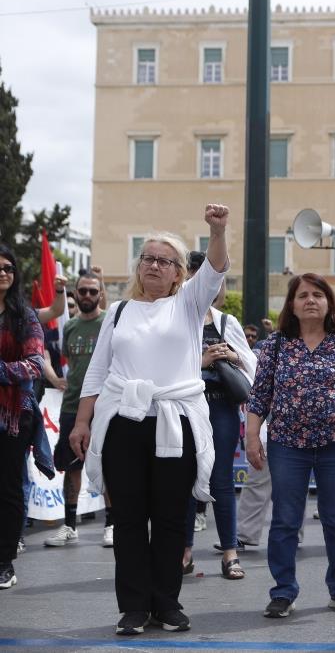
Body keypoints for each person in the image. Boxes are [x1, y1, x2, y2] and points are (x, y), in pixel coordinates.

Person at [69, 205, 230, 635]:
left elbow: (215, 268)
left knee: (170, 518)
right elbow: (98, 371)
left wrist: (218, 229)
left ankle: (167, 604)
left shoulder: (190, 304)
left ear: (179, 273)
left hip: (173, 422)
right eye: (148, 259)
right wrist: (82, 422)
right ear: (139, 266)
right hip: (124, 421)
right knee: (128, 517)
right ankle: (134, 608)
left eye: (165, 261)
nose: (155, 266)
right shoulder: (119, 312)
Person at [244, 273, 335, 620]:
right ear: (291, 304)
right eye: (302, 295)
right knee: (286, 520)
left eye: (318, 294)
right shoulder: (274, 346)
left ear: (329, 304)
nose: (310, 300)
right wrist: (251, 438)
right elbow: (259, 397)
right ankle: (283, 592)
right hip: (287, 444)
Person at [181, 251, 257, 580]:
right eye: (196, 278)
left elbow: (254, 368)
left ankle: (230, 553)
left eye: (213, 280)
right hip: (185, 408)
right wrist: (202, 361)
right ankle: (184, 552)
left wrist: (233, 354)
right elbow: (161, 369)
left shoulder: (228, 322)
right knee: (184, 480)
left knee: (222, 480)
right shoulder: (175, 319)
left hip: (222, 409)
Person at [45, 271, 114, 549]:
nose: (87, 296)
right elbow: (69, 362)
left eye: (92, 291)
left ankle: (111, 524)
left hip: (106, 406)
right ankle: (69, 526)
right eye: (82, 291)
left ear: (100, 294)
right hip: (72, 405)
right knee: (71, 468)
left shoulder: (110, 321)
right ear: (75, 293)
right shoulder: (70, 326)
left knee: (109, 465)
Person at [0, 244, 46, 590]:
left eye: (9, 268)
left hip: (12, 416)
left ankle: (4, 561)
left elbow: (34, 364)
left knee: (8, 489)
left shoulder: (24, 316)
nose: (3, 273)